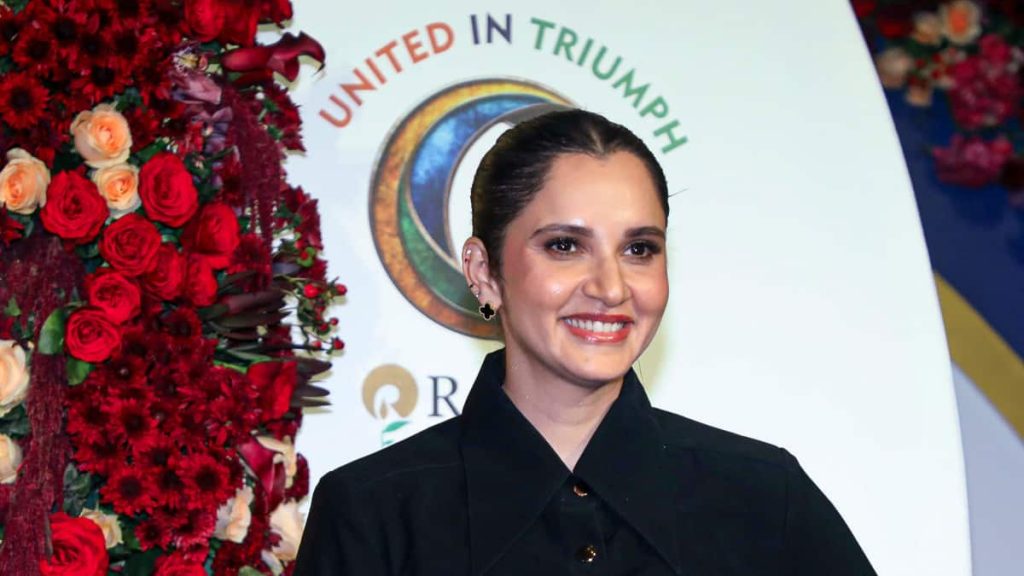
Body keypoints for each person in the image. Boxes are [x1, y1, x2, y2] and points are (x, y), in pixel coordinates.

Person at [293, 108, 877, 575]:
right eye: (565, 246)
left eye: (639, 249)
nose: (611, 287)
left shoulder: (765, 498)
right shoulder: (372, 513)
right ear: (483, 271)